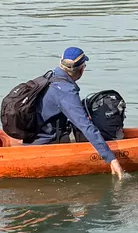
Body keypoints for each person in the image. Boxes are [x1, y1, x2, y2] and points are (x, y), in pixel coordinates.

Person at [32, 47, 125, 181]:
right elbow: (85, 126)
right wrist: (111, 159)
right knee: (105, 131)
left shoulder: (50, 77)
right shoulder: (66, 91)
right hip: (48, 140)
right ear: (81, 69)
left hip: (38, 132)